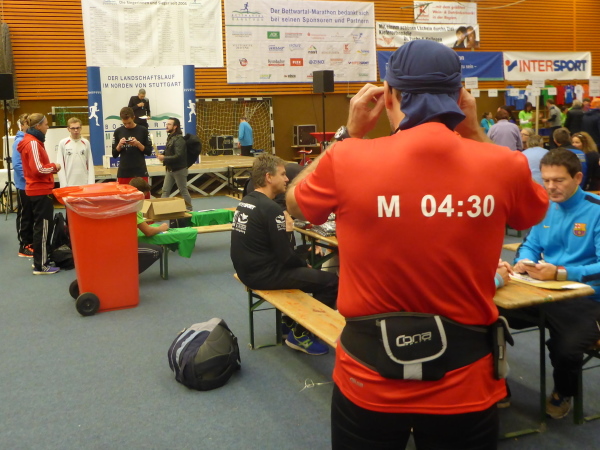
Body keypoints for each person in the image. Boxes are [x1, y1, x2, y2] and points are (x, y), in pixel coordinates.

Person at [286, 40, 548, 449]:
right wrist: (474, 131)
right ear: (460, 97)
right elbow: (529, 215)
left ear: (389, 94)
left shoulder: (346, 158)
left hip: (368, 377)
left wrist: (348, 134)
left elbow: (294, 203)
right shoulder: (504, 165)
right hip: (465, 380)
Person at [510, 149, 600, 420]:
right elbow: (529, 245)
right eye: (546, 180)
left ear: (578, 178)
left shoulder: (595, 210)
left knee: (567, 348)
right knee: (485, 315)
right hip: (543, 292)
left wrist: (562, 273)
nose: (550, 187)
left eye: (558, 180)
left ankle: (563, 392)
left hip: (585, 298)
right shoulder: (545, 207)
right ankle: (494, 383)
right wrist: (524, 262)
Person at [231, 153, 338, 356]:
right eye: (282, 174)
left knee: (307, 257)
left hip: (249, 269)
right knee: (331, 282)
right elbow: (286, 257)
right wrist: (302, 261)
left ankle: (288, 322)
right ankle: (300, 334)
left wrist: (301, 257)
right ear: (269, 177)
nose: (287, 179)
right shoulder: (271, 209)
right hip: (263, 275)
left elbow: (277, 250)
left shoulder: (246, 201)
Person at [18, 113, 62, 275]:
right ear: (38, 126)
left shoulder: (32, 142)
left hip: (37, 189)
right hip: (39, 190)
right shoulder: (33, 143)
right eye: (46, 124)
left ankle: (40, 260)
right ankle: (41, 265)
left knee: (41, 227)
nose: (47, 127)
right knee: (43, 228)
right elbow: (39, 169)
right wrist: (54, 166)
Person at [112, 107, 153, 196]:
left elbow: (149, 151)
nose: (127, 125)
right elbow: (114, 154)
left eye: (129, 123)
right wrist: (119, 145)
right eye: (124, 123)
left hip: (140, 171)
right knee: (124, 199)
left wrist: (138, 144)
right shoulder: (118, 132)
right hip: (124, 172)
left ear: (133, 118)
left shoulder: (143, 130)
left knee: (144, 198)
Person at [129, 177, 165, 274]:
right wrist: (161, 228)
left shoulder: (125, 203)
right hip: (124, 244)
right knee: (157, 251)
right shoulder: (133, 208)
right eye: (143, 196)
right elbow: (148, 232)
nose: (143, 199)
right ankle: (129, 275)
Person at [156, 118, 193, 211]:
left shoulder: (179, 139)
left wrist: (164, 158)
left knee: (183, 191)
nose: (166, 126)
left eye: (169, 124)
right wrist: (162, 155)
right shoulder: (170, 138)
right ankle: (161, 210)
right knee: (165, 190)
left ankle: (189, 209)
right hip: (170, 169)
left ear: (175, 126)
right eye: (167, 124)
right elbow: (169, 151)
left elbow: (179, 156)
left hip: (179, 169)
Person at [12, 113, 34, 258]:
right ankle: (23, 245)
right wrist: (29, 179)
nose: (30, 126)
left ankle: (30, 243)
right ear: (23, 125)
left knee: (31, 215)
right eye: (28, 123)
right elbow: (17, 165)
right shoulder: (18, 142)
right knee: (24, 216)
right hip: (23, 185)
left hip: (31, 186)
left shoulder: (30, 140)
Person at [56, 117, 95, 187]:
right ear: (68, 129)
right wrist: (63, 184)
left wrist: (91, 183)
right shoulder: (63, 143)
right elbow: (60, 164)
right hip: (69, 183)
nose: (76, 130)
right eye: (73, 128)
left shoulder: (86, 142)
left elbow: (90, 163)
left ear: (81, 128)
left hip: (84, 183)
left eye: (78, 128)